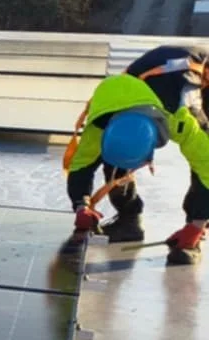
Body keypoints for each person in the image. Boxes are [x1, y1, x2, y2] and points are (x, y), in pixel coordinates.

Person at [65, 44, 209, 265]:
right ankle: (129, 219)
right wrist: (81, 205)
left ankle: (193, 236)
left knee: (203, 160)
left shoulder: (183, 118)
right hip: (147, 80)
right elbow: (81, 163)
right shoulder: (103, 118)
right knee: (115, 159)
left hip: (198, 75)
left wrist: (197, 225)